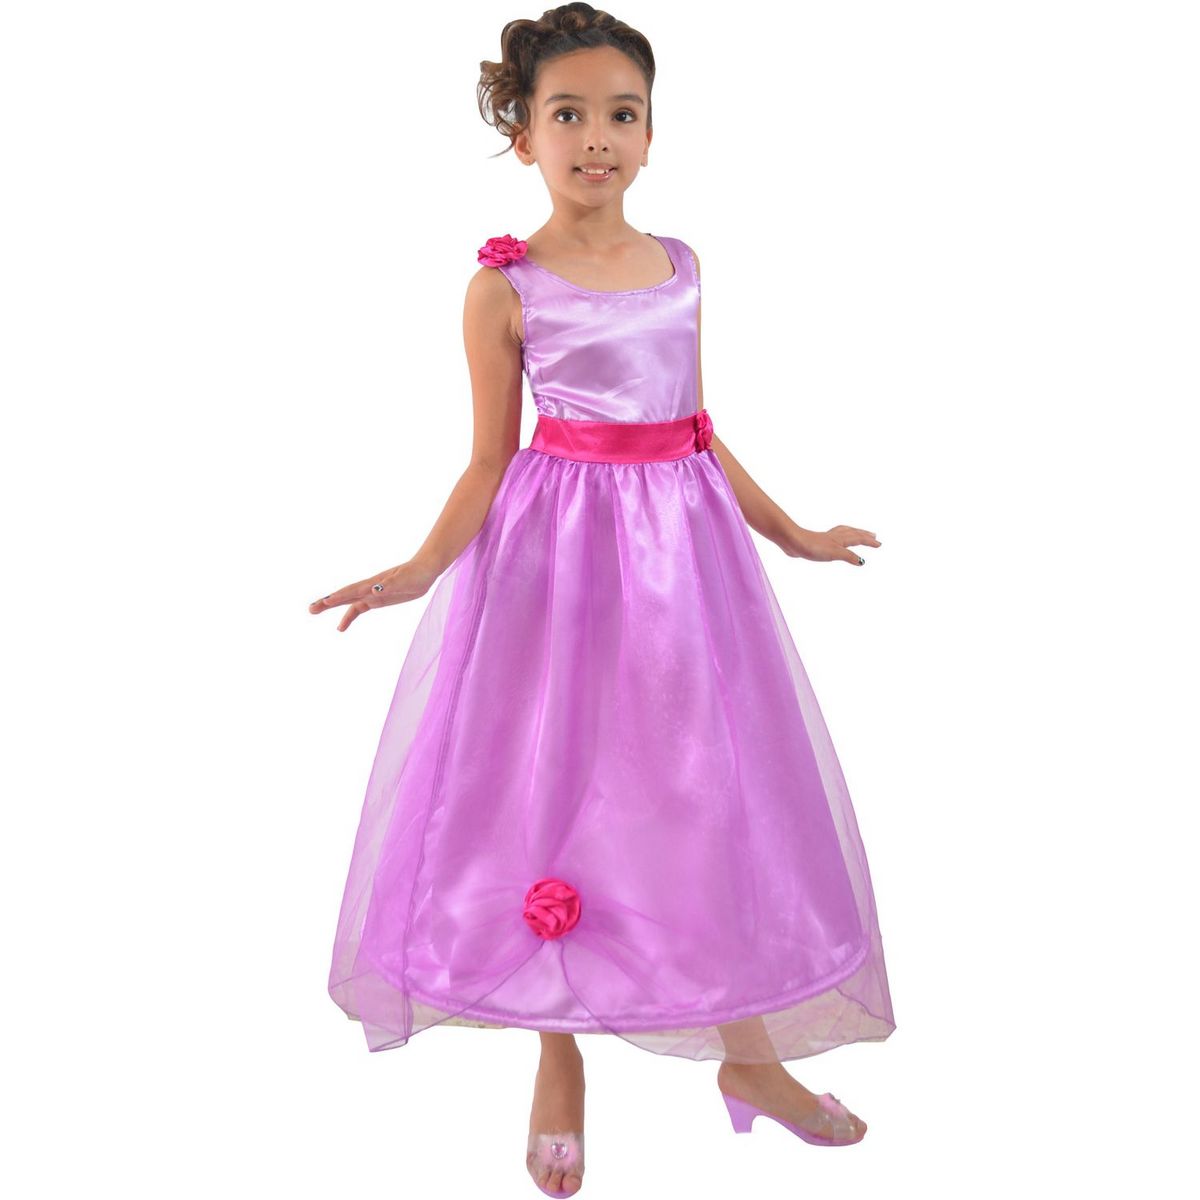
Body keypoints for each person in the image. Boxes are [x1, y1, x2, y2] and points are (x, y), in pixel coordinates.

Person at [311, 5, 895, 1195]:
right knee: (555, 796)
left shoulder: (682, 266)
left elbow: (696, 426)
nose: (595, 138)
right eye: (567, 115)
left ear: (650, 133)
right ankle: (558, 1054)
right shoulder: (504, 287)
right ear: (522, 135)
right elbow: (489, 460)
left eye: (620, 114)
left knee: (701, 797)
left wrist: (789, 531)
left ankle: (752, 1060)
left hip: (687, 572)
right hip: (560, 572)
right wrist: (421, 567)